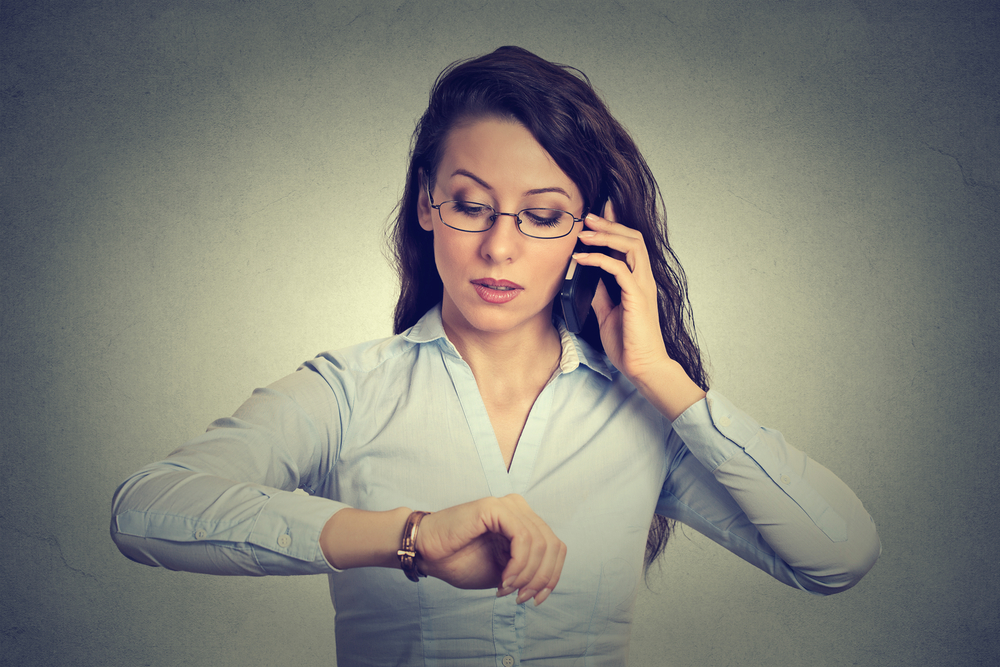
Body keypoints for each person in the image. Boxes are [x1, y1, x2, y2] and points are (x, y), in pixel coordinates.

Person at [110, 46, 880, 665]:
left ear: (592, 235)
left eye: (543, 216)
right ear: (427, 203)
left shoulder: (640, 416)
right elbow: (147, 508)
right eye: (472, 205)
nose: (499, 246)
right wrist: (406, 535)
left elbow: (839, 553)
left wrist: (659, 375)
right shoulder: (348, 392)